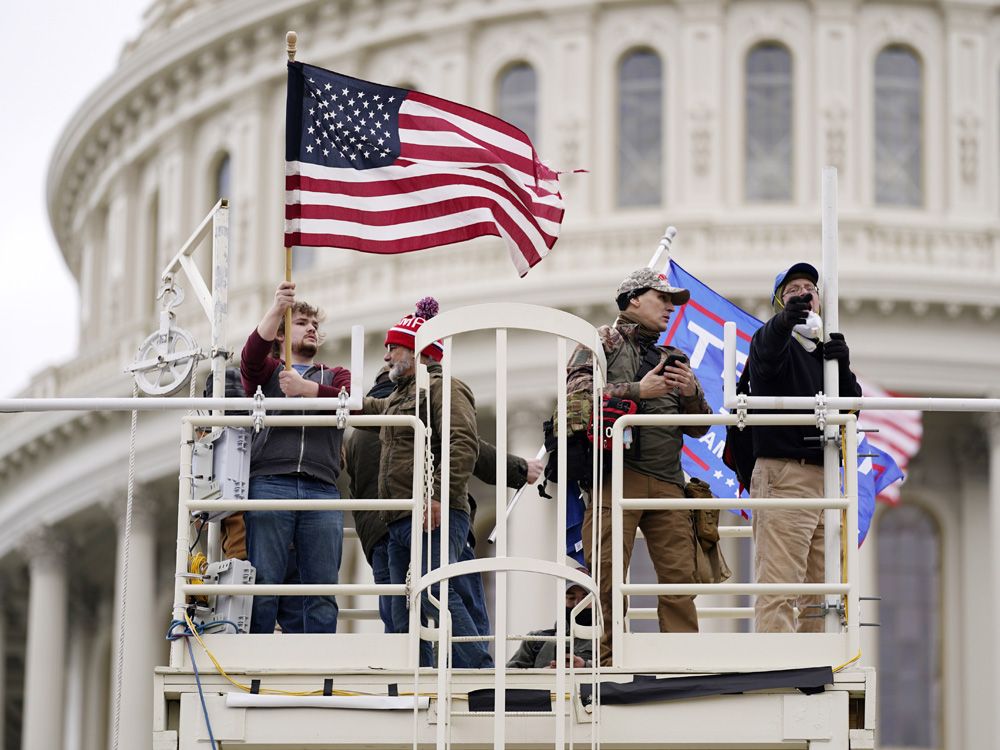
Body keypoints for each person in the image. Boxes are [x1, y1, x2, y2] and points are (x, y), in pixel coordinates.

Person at [566, 268, 712, 665]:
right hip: (616, 478)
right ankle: (609, 660)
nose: (670, 307)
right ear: (633, 299)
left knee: (682, 578)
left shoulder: (673, 358)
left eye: (672, 301)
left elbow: (701, 428)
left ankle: (680, 663)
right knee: (608, 576)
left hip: (668, 482)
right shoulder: (600, 343)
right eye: (661, 298)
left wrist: (692, 393)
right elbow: (574, 407)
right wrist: (637, 391)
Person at [348, 370, 543, 635]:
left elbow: (354, 488)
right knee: (458, 601)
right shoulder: (408, 414)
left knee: (400, 619)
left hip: (381, 534)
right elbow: (468, 449)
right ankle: (475, 669)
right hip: (430, 521)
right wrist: (520, 468)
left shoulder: (357, 437)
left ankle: (407, 674)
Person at [361, 298, 492, 667]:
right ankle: (414, 671)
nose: (386, 356)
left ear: (419, 350)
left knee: (436, 587)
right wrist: (314, 394)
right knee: (405, 606)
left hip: (433, 513)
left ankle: (477, 667)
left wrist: (437, 497)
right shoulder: (401, 396)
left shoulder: (444, 388)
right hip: (400, 518)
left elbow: (462, 443)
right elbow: (367, 410)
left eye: (394, 347)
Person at [747, 262, 861, 633]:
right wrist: (783, 323)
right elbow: (765, 355)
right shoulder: (771, 342)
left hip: (825, 475)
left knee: (822, 590)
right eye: (792, 288)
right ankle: (779, 667)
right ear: (780, 301)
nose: (802, 293)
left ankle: (816, 667)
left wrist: (842, 367)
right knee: (781, 585)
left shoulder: (823, 354)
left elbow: (851, 407)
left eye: (809, 287)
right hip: (785, 474)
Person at [240, 280, 351, 634]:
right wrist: (276, 308)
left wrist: (308, 390)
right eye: (302, 323)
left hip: (321, 486)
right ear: (282, 336)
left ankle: (319, 664)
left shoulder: (334, 375)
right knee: (266, 583)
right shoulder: (268, 373)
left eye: (315, 324)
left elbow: (355, 402)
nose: (313, 329)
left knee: (321, 587)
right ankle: (255, 658)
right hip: (272, 481)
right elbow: (251, 356)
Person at [506, 566, 595, 669]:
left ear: (596, 602)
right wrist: (545, 675)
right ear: (562, 601)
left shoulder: (608, 644)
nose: (577, 604)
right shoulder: (535, 641)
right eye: (571, 598)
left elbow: (615, 674)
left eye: (585, 599)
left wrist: (585, 666)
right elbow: (507, 678)